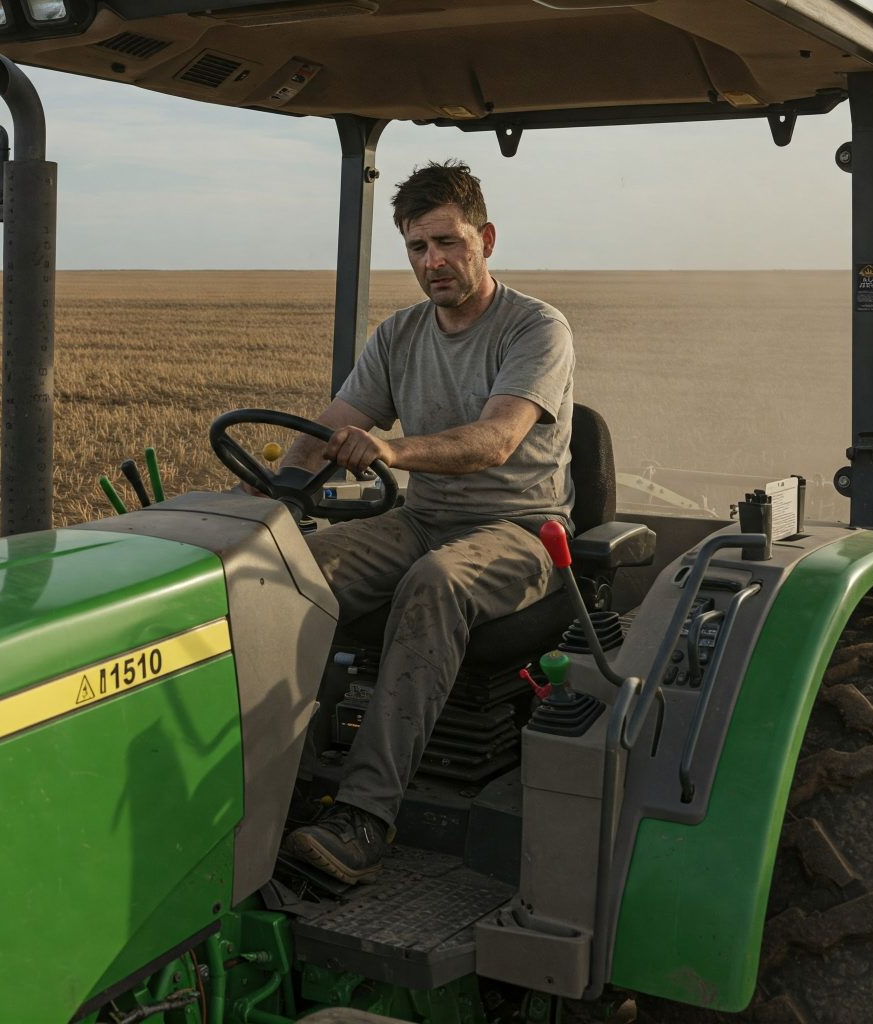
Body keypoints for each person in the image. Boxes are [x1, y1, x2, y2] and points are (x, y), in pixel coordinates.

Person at [281, 160, 575, 883]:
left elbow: (495, 441)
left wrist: (392, 449)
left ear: (486, 240)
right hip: (422, 517)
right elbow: (331, 427)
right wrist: (271, 497)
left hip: (522, 532)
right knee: (284, 572)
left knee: (434, 582)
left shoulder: (535, 328)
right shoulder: (400, 334)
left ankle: (365, 816)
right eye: (417, 247)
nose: (432, 261)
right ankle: (276, 782)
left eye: (448, 242)